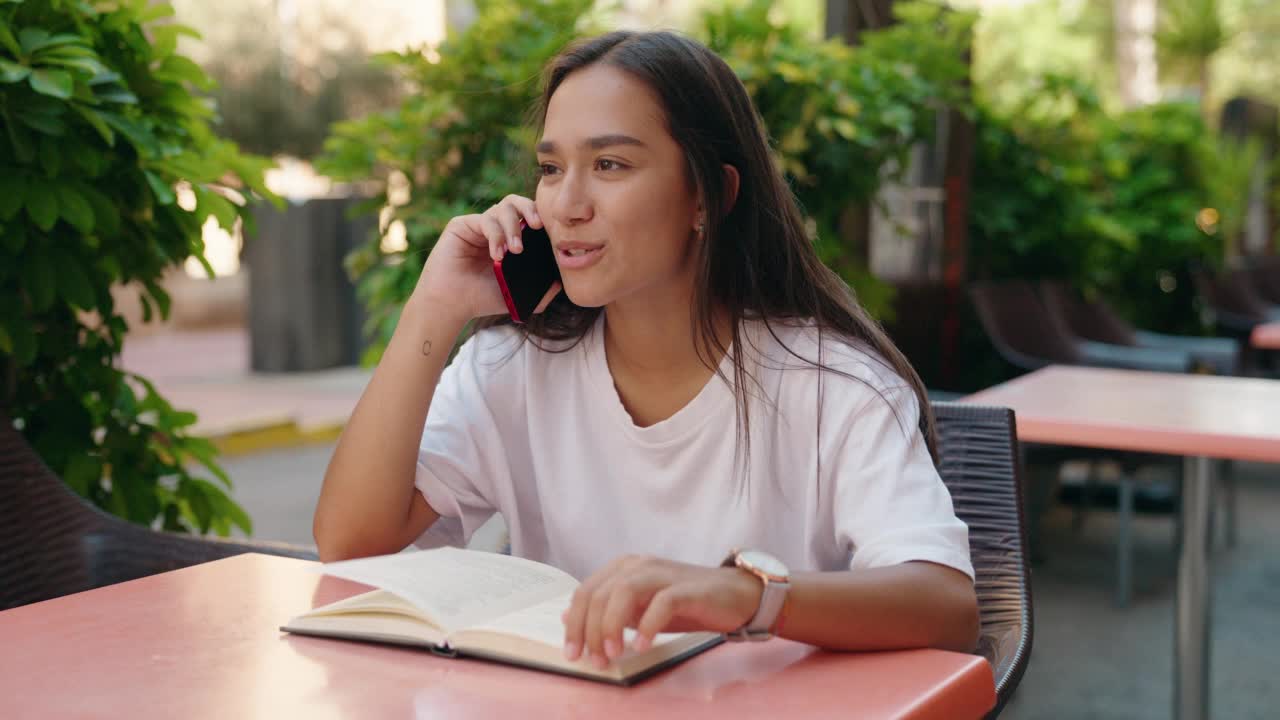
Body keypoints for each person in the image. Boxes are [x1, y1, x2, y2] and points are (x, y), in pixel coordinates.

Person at [313, 30, 978, 671]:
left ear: (709, 196)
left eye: (609, 165)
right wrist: (435, 309)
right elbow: (351, 544)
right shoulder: (512, 369)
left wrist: (746, 596)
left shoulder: (832, 385)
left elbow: (946, 604)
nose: (567, 203)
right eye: (551, 168)